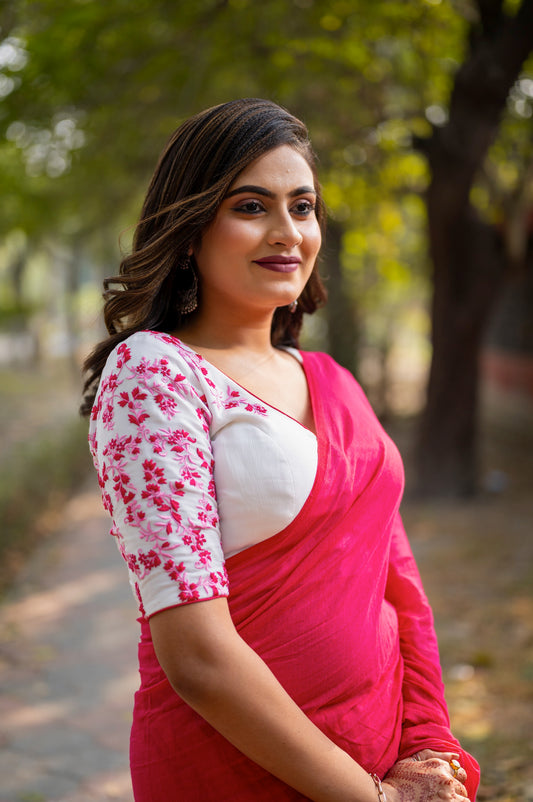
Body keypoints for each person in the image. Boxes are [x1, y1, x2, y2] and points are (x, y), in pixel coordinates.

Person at [81, 98, 480, 802]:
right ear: (188, 227)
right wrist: (375, 799)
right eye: (250, 206)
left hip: (382, 749)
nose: (287, 232)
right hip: (230, 770)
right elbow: (197, 657)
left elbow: (399, 584)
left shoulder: (331, 379)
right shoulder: (157, 373)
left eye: (303, 207)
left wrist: (427, 743)